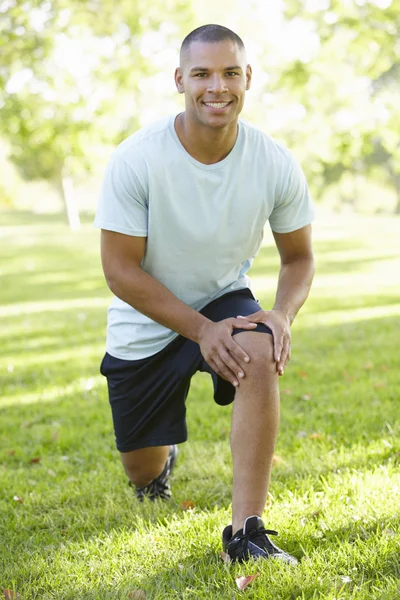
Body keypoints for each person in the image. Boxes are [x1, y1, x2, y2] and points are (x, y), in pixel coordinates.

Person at [95, 24, 315, 564]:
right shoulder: (137, 158)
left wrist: (282, 314)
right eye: (202, 74)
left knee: (260, 345)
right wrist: (199, 331)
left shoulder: (274, 161)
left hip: (223, 299)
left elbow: (299, 257)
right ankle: (159, 460)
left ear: (247, 79)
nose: (217, 86)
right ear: (180, 80)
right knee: (141, 470)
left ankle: (247, 533)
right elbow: (120, 270)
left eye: (229, 73)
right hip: (146, 320)